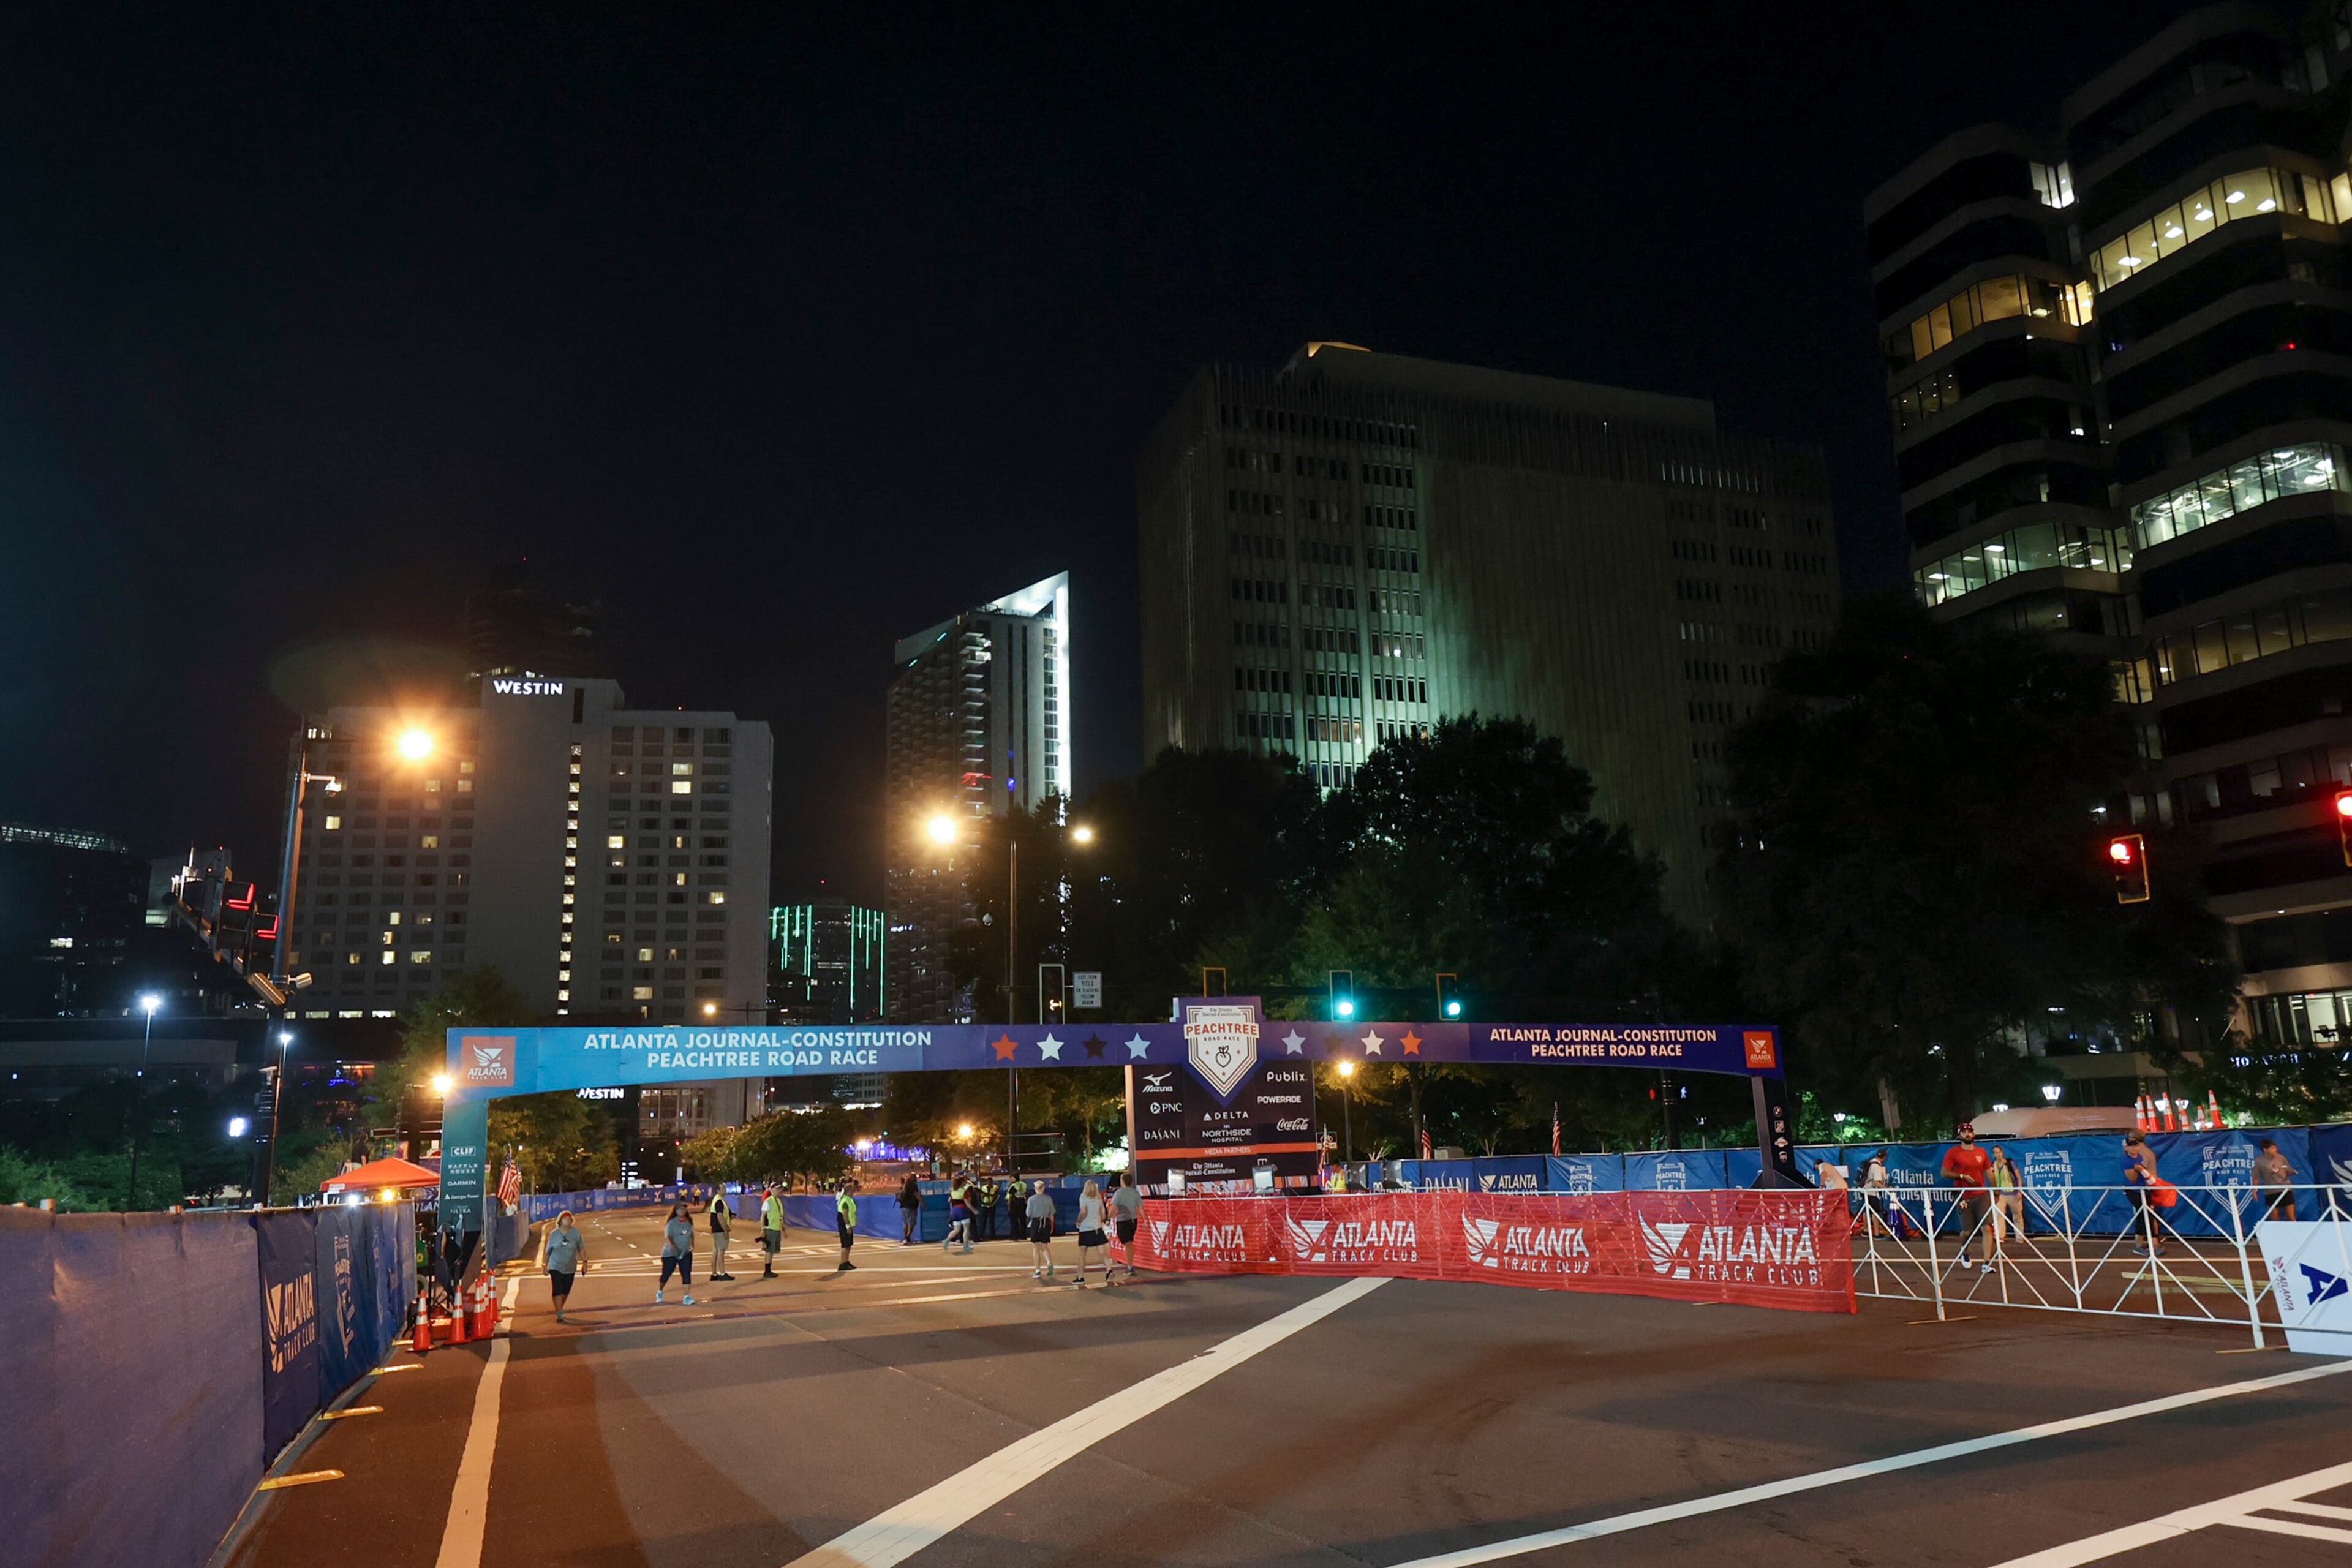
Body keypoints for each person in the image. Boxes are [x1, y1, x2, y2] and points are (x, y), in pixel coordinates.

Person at [1940, 1123, 1992, 1269]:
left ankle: (1987, 1263)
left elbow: (1989, 1172)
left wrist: (1996, 1190)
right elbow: (1944, 1173)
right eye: (1964, 1132)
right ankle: (1965, 1249)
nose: (1967, 1134)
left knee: (1987, 1228)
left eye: (1969, 1132)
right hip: (1964, 1195)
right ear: (1960, 1135)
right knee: (1967, 1231)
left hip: (1982, 1194)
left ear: (1974, 1134)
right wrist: (1962, 1176)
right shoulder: (1953, 1153)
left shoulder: (1982, 1152)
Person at [2122, 1130, 2168, 1257]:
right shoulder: (2145, 1153)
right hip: (2144, 1187)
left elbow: (2136, 1177)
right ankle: (2153, 1242)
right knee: (2146, 1214)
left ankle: (2148, 1243)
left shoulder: (2142, 1154)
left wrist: (2140, 1170)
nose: (2133, 1147)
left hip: (2144, 1187)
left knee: (2146, 1214)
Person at [541, 1209, 586, 1323]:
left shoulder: (576, 1233)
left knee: (566, 1289)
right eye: (565, 1218)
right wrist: (544, 1265)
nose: (568, 1219)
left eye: (569, 1218)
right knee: (557, 1288)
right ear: (560, 1221)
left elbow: (581, 1248)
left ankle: (560, 1306)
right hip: (556, 1265)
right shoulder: (554, 1234)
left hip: (570, 1266)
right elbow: (548, 1251)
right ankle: (559, 1311)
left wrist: (585, 1263)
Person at [1986, 1145, 2024, 1261]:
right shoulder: (1993, 1166)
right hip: (2001, 1194)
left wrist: (2020, 1191)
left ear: (2003, 1153)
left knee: (2017, 1215)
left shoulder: (2010, 1163)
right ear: (1993, 1155)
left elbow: (2018, 1177)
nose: (1998, 1154)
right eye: (1995, 1153)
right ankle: (2000, 1236)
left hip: (2013, 1193)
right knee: (1998, 1215)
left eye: (1999, 1152)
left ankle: (2019, 1237)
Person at [657, 1202, 697, 1305]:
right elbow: (669, 1236)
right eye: (680, 1209)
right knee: (667, 1273)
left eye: (684, 1209)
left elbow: (691, 1234)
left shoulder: (689, 1222)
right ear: (676, 1211)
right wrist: (674, 1247)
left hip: (686, 1252)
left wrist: (692, 1246)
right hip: (671, 1254)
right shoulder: (672, 1223)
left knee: (686, 1274)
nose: (683, 1211)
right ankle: (660, 1291)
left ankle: (687, 1297)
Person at [1073, 1177, 1109, 1288]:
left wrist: (1079, 1221)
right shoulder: (1099, 1199)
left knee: (1082, 1254)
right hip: (1097, 1228)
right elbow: (1103, 1213)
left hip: (1086, 1228)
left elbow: (1084, 1211)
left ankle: (1080, 1277)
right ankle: (1109, 1269)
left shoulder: (1083, 1197)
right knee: (1103, 1252)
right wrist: (1102, 1221)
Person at [2256, 1137, 2299, 1221]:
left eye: (2275, 1148)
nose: (2275, 1150)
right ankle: (2278, 1233)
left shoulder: (2281, 1158)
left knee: (2291, 1215)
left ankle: (2296, 1232)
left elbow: (2288, 1170)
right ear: (2265, 1150)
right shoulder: (2259, 1161)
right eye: (2272, 1148)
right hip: (2271, 1191)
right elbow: (2256, 1176)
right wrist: (2255, 1190)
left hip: (2286, 1189)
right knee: (2275, 1216)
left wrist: (2291, 1172)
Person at [1110, 1170, 1143, 1279]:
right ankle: (1130, 1265)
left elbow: (1114, 1208)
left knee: (1128, 1243)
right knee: (1129, 1242)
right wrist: (1145, 1220)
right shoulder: (1135, 1193)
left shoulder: (1119, 1194)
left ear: (1123, 1181)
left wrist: (1107, 1218)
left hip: (1123, 1220)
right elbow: (1141, 1207)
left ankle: (1130, 1267)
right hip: (1134, 1220)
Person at [1025, 1178, 1057, 1280]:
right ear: (1043, 1188)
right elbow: (1052, 1214)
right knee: (1044, 1245)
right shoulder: (1048, 1199)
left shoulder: (1031, 1199)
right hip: (1046, 1222)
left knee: (1036, 1247)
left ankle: (1038, 1270)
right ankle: (1049, 1261)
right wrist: (1052, 1226)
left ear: (1035, 1189)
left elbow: (1028, 1214)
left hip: (1036, 1222)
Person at [707, 1191, 736, 1281]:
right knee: (721, 1251)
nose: (725, 1190)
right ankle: (723, 1273)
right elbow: (720, 1216)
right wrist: (725, 1229)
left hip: (715, 1229)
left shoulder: (716, 1200)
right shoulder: (719, 1201)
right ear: (718, 1191)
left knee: (716, 1251)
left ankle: (714, 1274)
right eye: (723, 1188)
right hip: (720, 1230)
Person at [943, 1172, 974, 1254]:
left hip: (955, 1211)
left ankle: (947, 1240)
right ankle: (966, 1246)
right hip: (963, 1210)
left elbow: (949, 1200)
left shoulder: (953, 1191)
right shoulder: (964, 1191)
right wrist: (974, 1210)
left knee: (956, 1229)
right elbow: (968, 1203)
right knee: (966, 1229)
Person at [834, 1177, 859, 1273]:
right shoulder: (845, 1201)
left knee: (848, 1244)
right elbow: (845, 1214)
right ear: (849, 1191)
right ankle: (843, 1263)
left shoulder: (848, 1199)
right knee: (845, 1245)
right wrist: (848, 1226)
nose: (854, 1192)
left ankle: (846, 1262)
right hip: (845, 1225)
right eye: (853, 1190)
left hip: (848, 1225)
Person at [760, 1186, 785, 1279]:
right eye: (777, 1189)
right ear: (772, 1191)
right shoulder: (768, 1202)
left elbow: (780, 1216)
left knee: (772, 1250)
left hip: (776, 1228)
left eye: (780, 1189)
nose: (779, 1191)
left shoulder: (778, 1201)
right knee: (769, 1250)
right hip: (770, 1229)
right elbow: (763, 1216)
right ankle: (767, 1271)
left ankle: (769, 1270)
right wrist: (763, 1229)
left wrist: (783, 1229)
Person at [898, 1171, 923, 1246]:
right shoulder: (913, 1185)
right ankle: (908, 1238)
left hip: (904, 1205)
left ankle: (905, 1238)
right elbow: (917, 1195)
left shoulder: (905, 1185)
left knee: (906, 1224)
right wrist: (922, 1203)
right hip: (912, 1206)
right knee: (911, 1223)